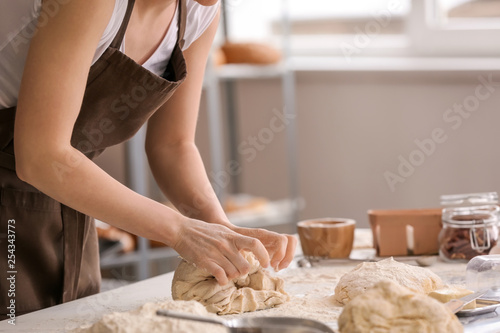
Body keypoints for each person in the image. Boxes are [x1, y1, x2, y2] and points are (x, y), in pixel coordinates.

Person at [0, 0, 296, 319]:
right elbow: (41, 156)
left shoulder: (199, 12)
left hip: (71, 204)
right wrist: (179, 231)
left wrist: (222, 230)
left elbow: (172, 146)